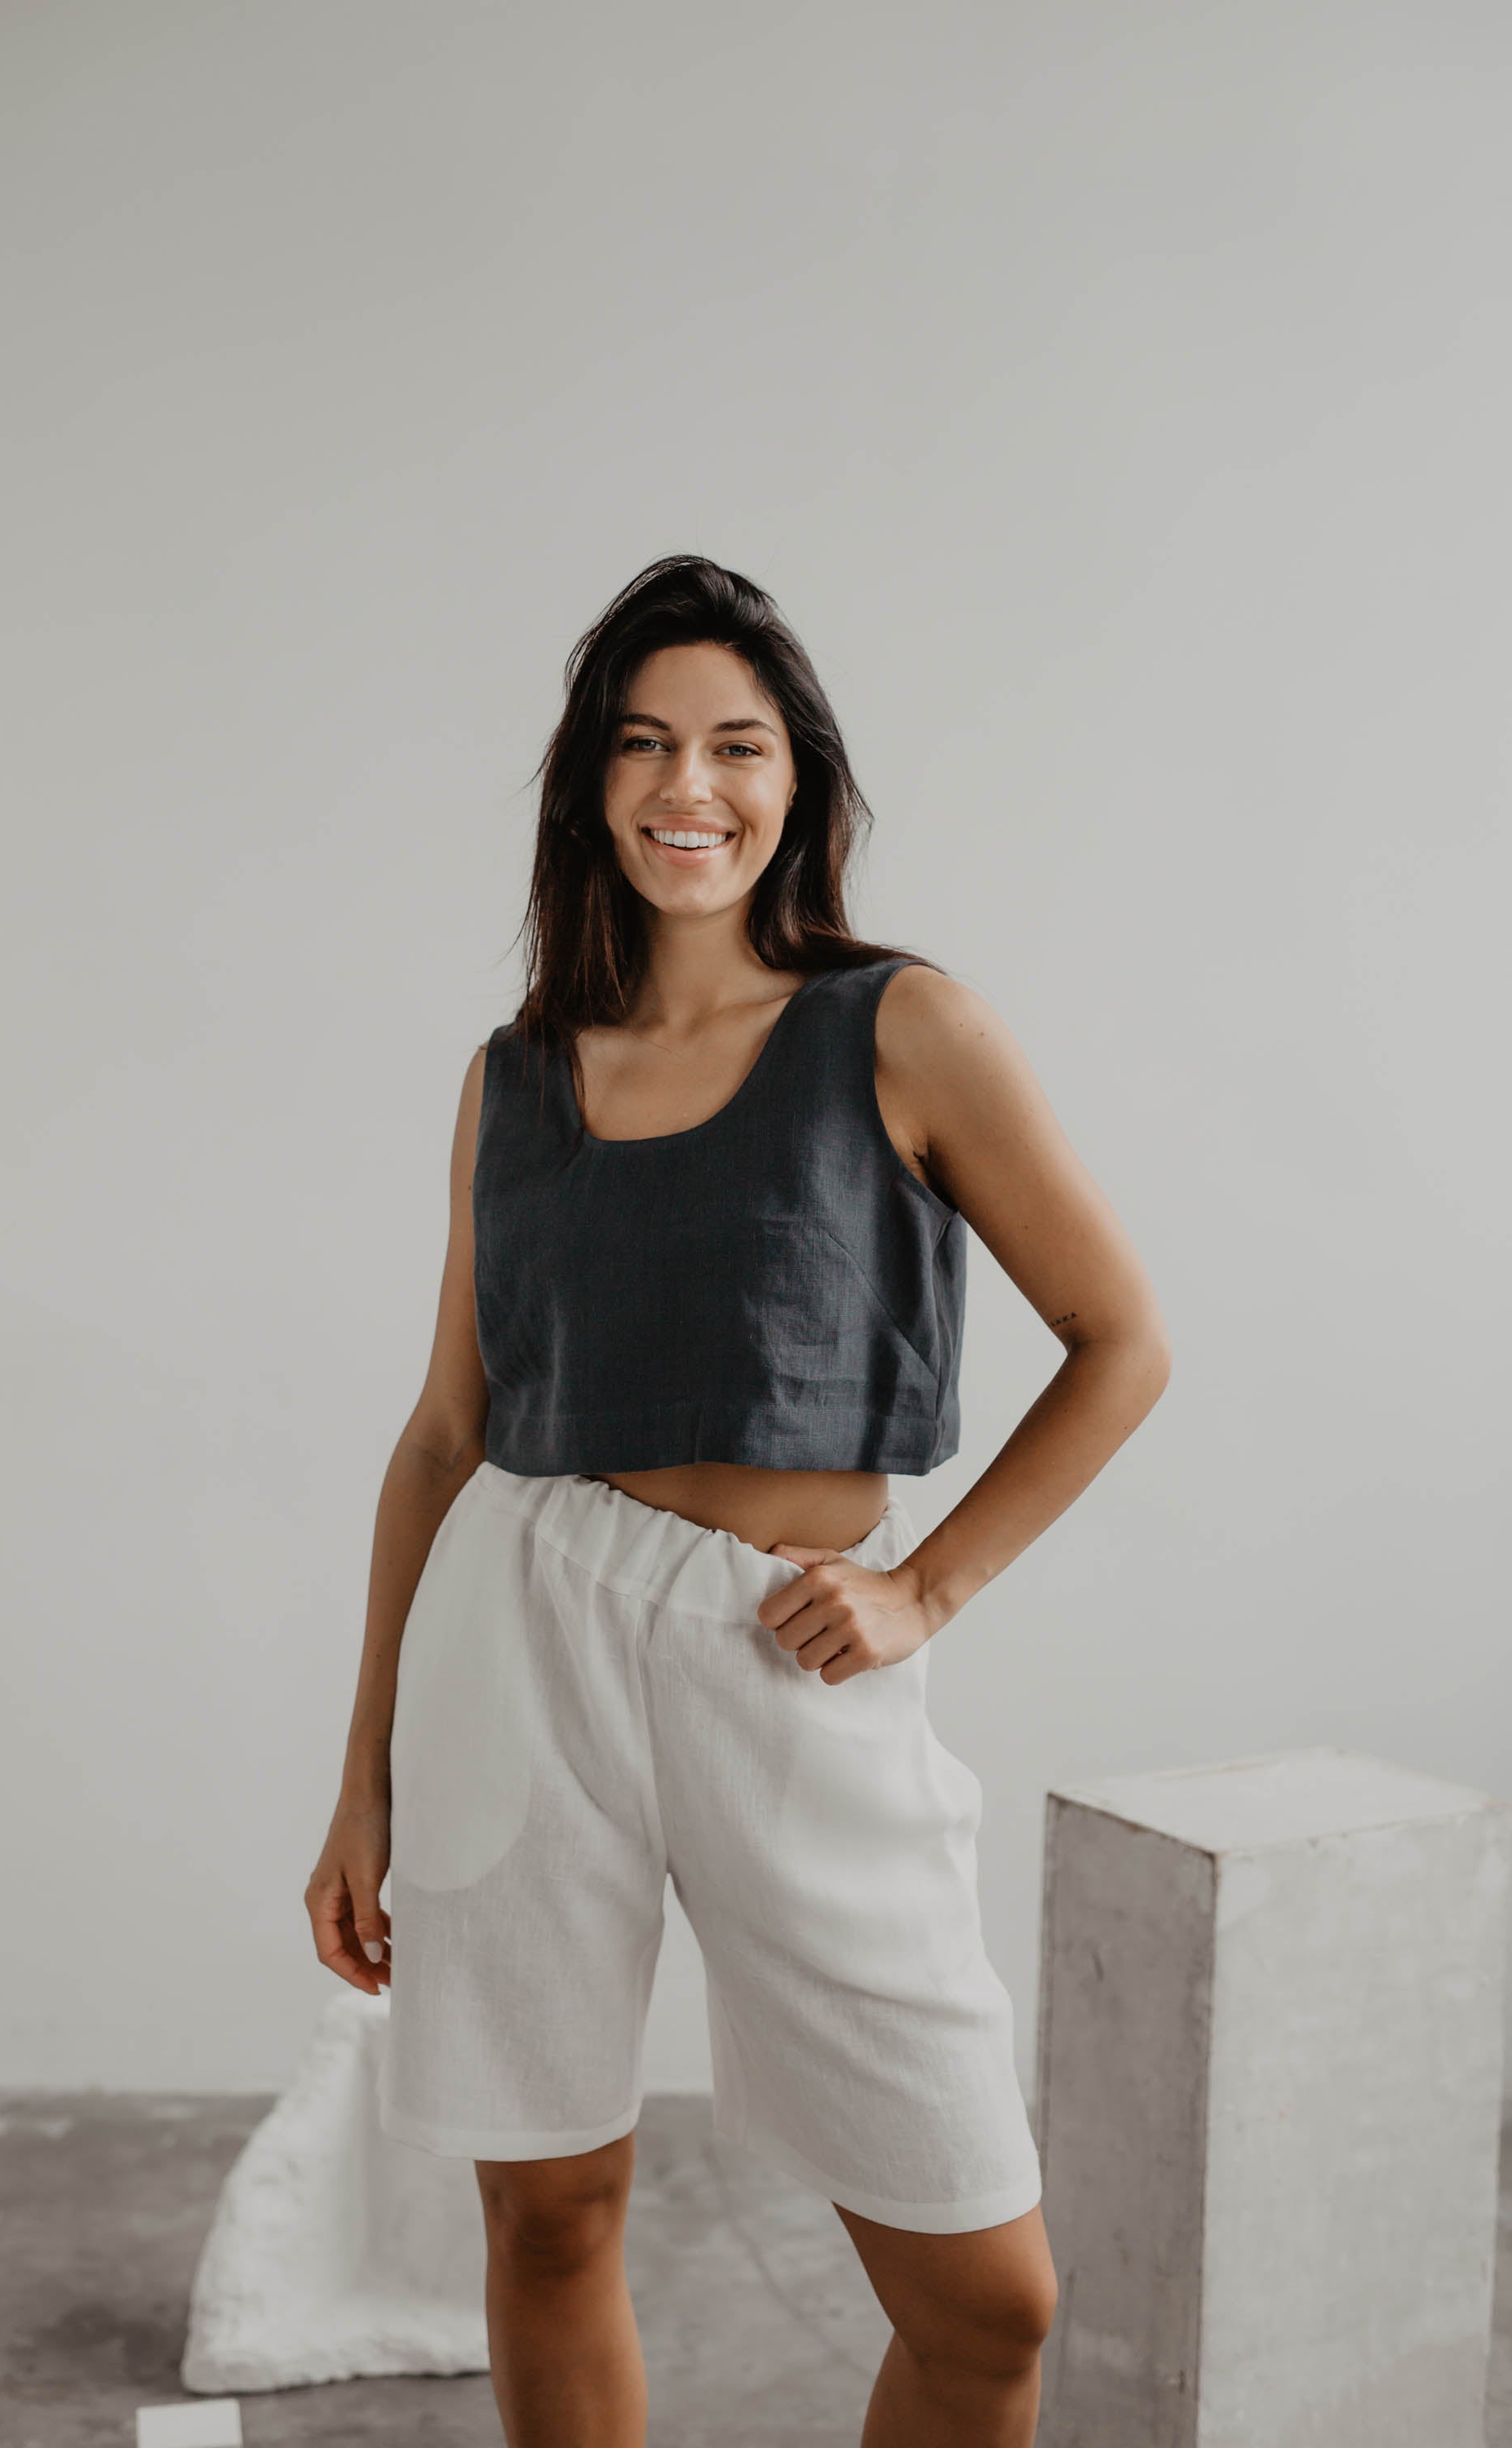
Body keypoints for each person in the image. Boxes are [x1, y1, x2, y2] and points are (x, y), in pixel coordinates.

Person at [304, 553, 1172, 2448]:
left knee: (989, 2301)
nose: (683, 787)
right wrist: (359, 1775)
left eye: (731, 745)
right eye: (639, 747)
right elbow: (445, 1438)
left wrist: (925, 1593)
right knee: (548, 2213)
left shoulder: (900, 1025)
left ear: (798, 783)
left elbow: (1119, 1339)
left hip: (783, 1654)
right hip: (515, 1625)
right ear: (586, 789)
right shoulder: (514, 1079)